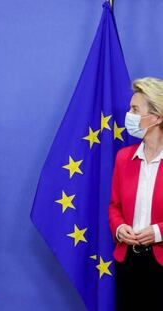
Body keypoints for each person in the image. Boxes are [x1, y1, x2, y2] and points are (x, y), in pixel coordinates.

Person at [109, 77, 163, 310]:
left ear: (157, 117)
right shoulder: (123, 158)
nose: (128, 116)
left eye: (134, 109)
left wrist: (158, 232)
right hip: (127, 261)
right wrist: (120, 229)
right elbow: (114, 206)